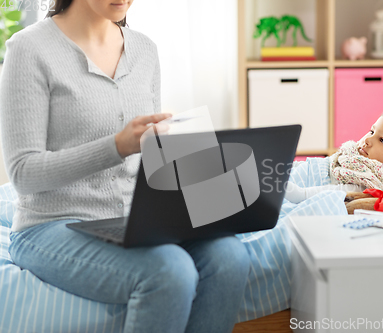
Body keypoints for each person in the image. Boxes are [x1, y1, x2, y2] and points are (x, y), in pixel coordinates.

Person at [0, 1, 250, 332]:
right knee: (169, 271)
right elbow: (23, 173)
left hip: (132, 221)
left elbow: (153, 157)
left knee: (230, 257)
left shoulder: (144, 50)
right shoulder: (29, 48)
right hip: (50, 226)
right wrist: (116, 147)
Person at [284, 109, 383, 203]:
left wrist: (275, 181)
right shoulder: (349, 157)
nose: (367, 140)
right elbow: (312, 166)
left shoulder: (368, 181)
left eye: (382, 140)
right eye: (372, 131)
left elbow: (301, 195)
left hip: (286, 189)